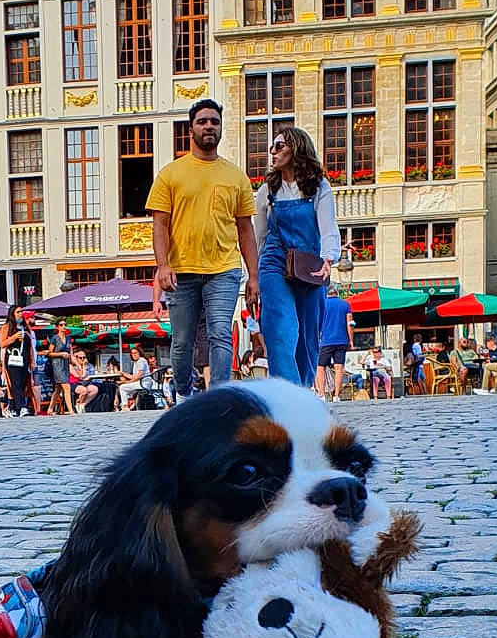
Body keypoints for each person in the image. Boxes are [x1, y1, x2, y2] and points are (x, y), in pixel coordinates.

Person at [148, 99, 258, 397]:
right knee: (183, 340)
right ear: (191, 129)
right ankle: (184, 394)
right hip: (181, 271)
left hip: (223, 269)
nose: (209, 126)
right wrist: (162, 266)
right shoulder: (171, 174)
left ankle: (218, 399)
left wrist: (254, 277)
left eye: (214, 121)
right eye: (203, 121)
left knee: (220, 334)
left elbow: (245, 229)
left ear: (220, 128)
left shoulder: (236, 176)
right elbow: (160, 224)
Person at [252, 125, 340, 387]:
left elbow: (328, 225)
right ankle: (287, 394)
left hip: (310, 264)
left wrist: (328, 258)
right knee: (280, 327)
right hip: (274, 261)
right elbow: (260, 235)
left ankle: (301, 389)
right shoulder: (267, 190)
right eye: (272, 146)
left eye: (279, 146)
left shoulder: (318, 186)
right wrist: (254, 276)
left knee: (308, 335)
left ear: (296, 148)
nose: (273, 151)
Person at [314, 288, 353, 401]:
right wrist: (350, 340)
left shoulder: (322, 304)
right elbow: (350, 322)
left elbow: (317, 322)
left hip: (326, 341)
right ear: (337, 292)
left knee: (320, 367)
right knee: (339, 367)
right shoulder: (345, 304)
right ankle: (336, 395)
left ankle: (321, 394)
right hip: (342, 340)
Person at [0, 303, 35, 415]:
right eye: (18, 312)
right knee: (16, 382)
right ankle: (21, 406)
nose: (21, 314)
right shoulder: (7, 327)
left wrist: (32, 360)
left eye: (21, 312)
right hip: (12, 358)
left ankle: (13, 407)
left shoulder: (25, 327)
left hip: (24, 358)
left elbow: (30, 346)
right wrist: (14, 337)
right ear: (12, 314)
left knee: (24, 382)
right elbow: (2, 344)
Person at [46, 321, 74, 413]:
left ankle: (50, 408)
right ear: (57, 327)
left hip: (65, 365)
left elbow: (71, 354)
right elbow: (49, 353)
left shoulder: (68, 338)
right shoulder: (55, 338)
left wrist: (78, 365)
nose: (64, 326)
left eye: (65, 324)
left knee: (58, 388)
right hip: (57, 365)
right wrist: (61, 354)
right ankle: (70, 410)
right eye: (61, 325)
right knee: (66, 386)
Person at [119, 346, 156, 410]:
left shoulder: (141, 360)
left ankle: (125, 406)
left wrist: (127, 382)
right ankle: (131, 405)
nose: (134, 355)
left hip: (143, 383)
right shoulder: (136, 362)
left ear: (139, 353)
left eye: (136, 353)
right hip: (142, 382)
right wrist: (123, 374)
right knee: (125, 388)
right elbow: (134, 376)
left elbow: (139, 376)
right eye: (132, 353)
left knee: (122, 387)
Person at [70, 347, 101, 414]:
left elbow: (91, 374)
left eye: (84, 357)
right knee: (84, 390)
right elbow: (81, 377)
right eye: (80, 358)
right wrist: (83, 367)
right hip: (74, 384)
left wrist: (84, 367)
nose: (82, 359)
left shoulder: (89, 366)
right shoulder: (72, 366)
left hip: (84, 383)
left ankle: (82, 405)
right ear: (76, 358)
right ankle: (77, 405)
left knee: (94, 389)